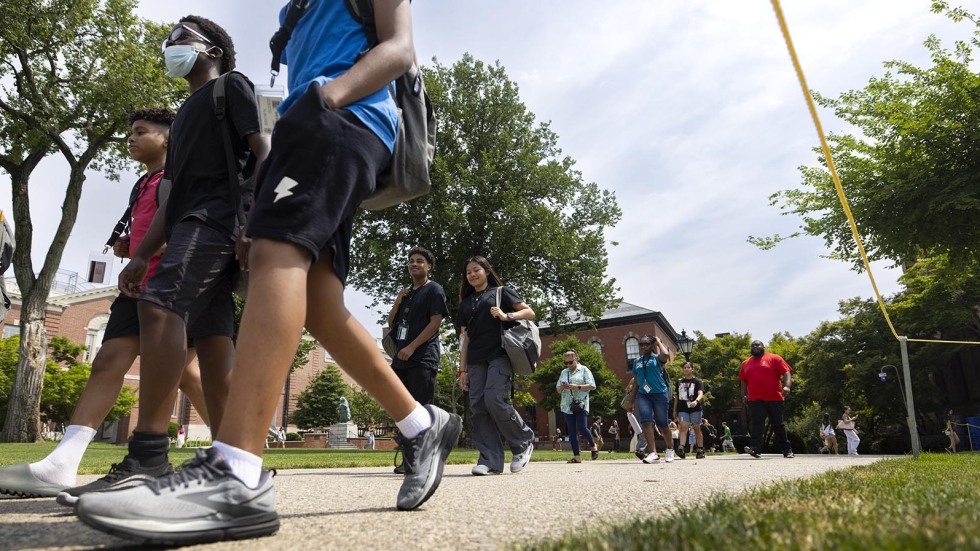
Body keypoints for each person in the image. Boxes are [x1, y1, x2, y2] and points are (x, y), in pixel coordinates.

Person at [76, 4, 462, 544]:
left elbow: (398, 49)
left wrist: (328, 97)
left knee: (275, 255)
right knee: (321, 304)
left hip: (339, 118)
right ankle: (423, 425)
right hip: (313, 125)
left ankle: (234, 474)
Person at [0, 109, 210, 501]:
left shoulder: (178, 178)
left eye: (140, 132)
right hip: (136, 288)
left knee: (185, 373)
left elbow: (191, 226)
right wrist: (131, 247)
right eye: (130, 131)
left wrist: (154, 250)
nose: (130, 138)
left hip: (174, 288)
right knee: (108, 360)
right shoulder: (143, 183)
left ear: (167, 139)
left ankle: (233, 449)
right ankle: (61, 463)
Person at [458, 256, 535, 475]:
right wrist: (462, 370)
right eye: (468, 272)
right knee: (478, 408)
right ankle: (490, 460)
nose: (472, 275)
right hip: (475, 360)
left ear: (486, 271)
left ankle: (523, 441)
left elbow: (529, 312)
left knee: (494, 399)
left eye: (476, 270)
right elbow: (465, 340)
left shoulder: (501, 292)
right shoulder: (465, 304)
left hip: (499, 355)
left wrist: (506, 314)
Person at [387, 247, 448, 473]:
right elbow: (392, 322)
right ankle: (408, 459)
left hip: (422, 358)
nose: (414, 264)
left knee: (421, 410)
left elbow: (435, 323)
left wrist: (412, 347)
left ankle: (423, 459)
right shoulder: (406, 293)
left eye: (419, 261)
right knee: (402, 410)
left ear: (428, 266)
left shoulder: (435, 290)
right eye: (411, 261)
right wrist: (397, 302)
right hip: (400, 358)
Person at [739, 340, 794, 458]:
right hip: (755, 399)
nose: (755, 347)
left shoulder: (774, 358)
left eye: (758, 345)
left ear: (763, 347)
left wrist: (787, 386)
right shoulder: (746, 363)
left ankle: (787, 450)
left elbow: (787, 372)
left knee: (778, 424)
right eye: (753, 345)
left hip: (775, 398)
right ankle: (755, 449)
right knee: (757, 424)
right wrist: (743, 395)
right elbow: (743, 380)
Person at [631, 334, 673, 463]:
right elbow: (636, 382)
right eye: (641, 344)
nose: (643, 346)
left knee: (663, 424)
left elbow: (666, 355)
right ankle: (653, 453)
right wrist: (631, 400)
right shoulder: (637, 362)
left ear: (652, 345)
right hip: (643, 395)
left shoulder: (657, 358)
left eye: (646, 344)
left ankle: (670, 449)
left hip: (660, 394)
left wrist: (659, 342)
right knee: (646, 422)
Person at [555, 350, 598, 463]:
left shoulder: (584, 370)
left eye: (570, 362)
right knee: (572, 432)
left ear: (577, 358)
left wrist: (577, 387)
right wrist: (563, 387)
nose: (568, 365)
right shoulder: (564, 372)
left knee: (582, 427)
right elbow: (558, 389)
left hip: (581, 403)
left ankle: (593, 445)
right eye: (566, 363)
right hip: (567, 405)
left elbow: (592, 386)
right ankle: (577, 456)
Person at [673, 362, 705, 459]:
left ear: (692, 369)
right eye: (684, 368)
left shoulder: (697, 382)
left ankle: (700, 449)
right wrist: (674, 410)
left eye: (688, 367)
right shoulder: (679, 382)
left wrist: (696, 401)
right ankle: (681, 447)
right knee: (683, 427)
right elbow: (677, 397)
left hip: (695, 408)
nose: (686, 369)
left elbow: (700, 393)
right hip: (683, 408)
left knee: (696, 428)